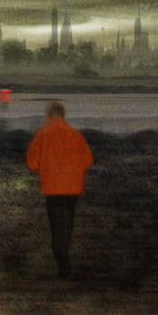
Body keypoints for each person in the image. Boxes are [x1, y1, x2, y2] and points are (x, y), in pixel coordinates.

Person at [26, 101, 93, 280]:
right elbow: (88, 160)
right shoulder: (76, 135)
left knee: (56, 228)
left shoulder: (42, 135)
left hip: (52, 188)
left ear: (47, 115)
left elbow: (32, 164)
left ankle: (64, 267)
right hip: (73, 189)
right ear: (63, 115)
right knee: (67, 225)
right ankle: (64, 263)